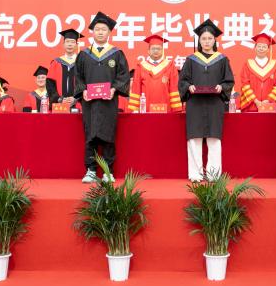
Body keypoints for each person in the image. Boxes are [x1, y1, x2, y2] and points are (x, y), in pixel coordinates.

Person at [74, 11, 130, 183]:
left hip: (108, 102)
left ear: (109, 32)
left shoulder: (116, 53)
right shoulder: (84, 54)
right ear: (92, 32)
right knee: (90, 135)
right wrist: (83, 90)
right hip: (89, 102)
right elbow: (78, 76)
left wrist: (114, 89)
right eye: (97, 29)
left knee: (108, 135)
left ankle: (107, 171)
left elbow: (123, 75)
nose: (100, 32)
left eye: (103, 29)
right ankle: (90, 170)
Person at [178, 20, 235, 181]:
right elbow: (183, 80)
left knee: (214, 139)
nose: (207, 41)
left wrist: (221, 87)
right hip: (195, 103)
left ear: (215, 40)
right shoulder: (191, 59)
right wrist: (188, 87)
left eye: (210, 38)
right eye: (204, 38)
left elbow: (229, 81)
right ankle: (195, 174)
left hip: (214, 104)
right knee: (194, 139)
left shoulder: (222, 59)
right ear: (199, 41)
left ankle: (213, 174)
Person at [127, 33, 182, 113]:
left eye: (159, 49)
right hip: (145, 108)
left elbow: (174, 88)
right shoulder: (141, 66)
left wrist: (176, 109)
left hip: (166, 108)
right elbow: (136, 88)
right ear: (148, 51)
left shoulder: (170, 66)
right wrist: (135, 109)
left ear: (162, 51)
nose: (156, 51)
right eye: (153, 49)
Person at [238, 32, 276, 112]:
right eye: (259, 46)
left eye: (264, 47)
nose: (261, 49)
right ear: (255, 48)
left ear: (268, 49)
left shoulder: (275, 65)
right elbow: (245, 84)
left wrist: (268, 100)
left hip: (270, 106)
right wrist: (256, 101)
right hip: (252, 105)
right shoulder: (248, 64)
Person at [47, 28, 81, 113]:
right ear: (63, 44)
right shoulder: (56, 62)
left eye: (72, 42)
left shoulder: (81, 62)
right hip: (60, 105)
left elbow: (86, 82)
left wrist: (76, 98)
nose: (70, 44)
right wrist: (59, 99)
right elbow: (50, 84)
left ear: (77, 45)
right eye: (67, 42)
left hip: (78, 104)